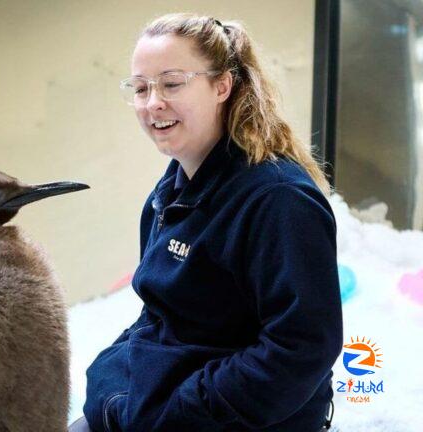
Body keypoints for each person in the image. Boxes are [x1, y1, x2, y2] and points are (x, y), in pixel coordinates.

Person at [70, 13, 342, 432]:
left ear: (222, 86)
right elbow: (160, 315)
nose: (152, 102)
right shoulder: (168, 194)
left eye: (172, 83)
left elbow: (300, 349)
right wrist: (114, 388)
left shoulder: (278, 199)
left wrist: (183, 412)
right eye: (141, 88)